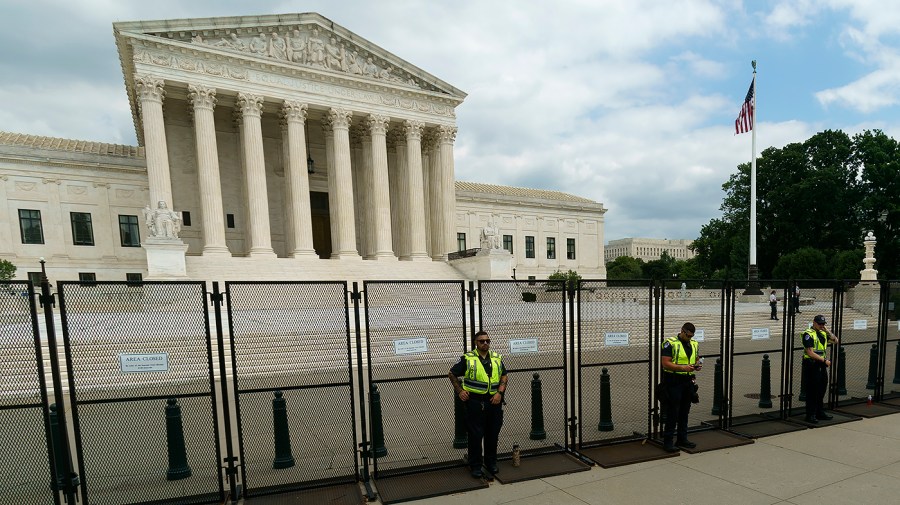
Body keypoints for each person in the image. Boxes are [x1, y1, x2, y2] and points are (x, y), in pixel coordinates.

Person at [448, 331, 507, 478]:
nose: (485, 343)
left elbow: (504, 375)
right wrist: (460, 390)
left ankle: (491, 463)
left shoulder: (496, 358)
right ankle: (475, 466)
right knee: (475, 436)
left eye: (487, 341)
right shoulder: (467, 358)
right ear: (476, 343)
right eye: (482, 341)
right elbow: (452, 373)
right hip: (475, 403)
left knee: (492, 435)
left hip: (494, 402)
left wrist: (499, 393)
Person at [660, 322, 702, 452]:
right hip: (674, 380)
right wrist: (682, 367)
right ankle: (668, 442)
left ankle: (682, 439)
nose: (689, 338)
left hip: (687, 380)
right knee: (673, 411)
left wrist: (697, 365)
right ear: (682, 331)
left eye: (691, 336)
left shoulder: (694, 344)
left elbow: (696, 358)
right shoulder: (670, 343)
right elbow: (665, 363)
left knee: (685, 411)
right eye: (688, 335)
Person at [801, 315, 839, 423]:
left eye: (823, 324)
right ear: (814, 323)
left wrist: (826, 330)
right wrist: (824, 361)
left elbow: (835, 340)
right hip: (812, 364)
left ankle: (819, 412)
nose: (821, 325)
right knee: (812, 390)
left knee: (822, 388)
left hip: (821, 365)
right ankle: (810, 414)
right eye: (820, 323)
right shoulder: (808, 334)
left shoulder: (823, 334)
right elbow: (810, 352)